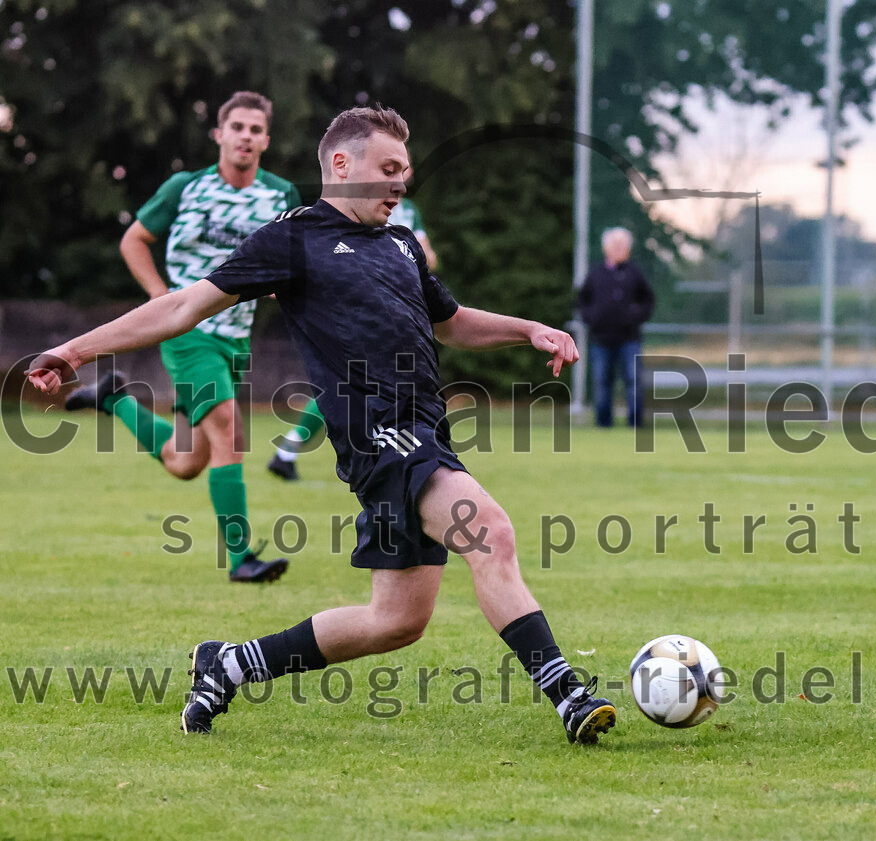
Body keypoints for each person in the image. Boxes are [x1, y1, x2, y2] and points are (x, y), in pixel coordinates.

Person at [27, 105, 616, 746]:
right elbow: (181, 307)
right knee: (491, 534)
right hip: (380, 435)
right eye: (388, 168)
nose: (400, 184)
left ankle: (230, 665)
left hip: (424, 430)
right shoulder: (293, 239)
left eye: (405, 171)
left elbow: (451, 323)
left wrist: (529, 329)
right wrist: (74, 350)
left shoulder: (400, 244)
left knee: (396, 620)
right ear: (342, 163)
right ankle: (569, 696)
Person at [62, 91, 301, 583]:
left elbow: (296, 261)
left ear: (266, 141)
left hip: (236, 338)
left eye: (256, 130)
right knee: (229, 430)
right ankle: (241, 560)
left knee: (185, 461)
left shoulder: (282, 196)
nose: (246, 137)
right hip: (189, 334)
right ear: (219, 134)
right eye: (238, 127)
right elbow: (134, 239)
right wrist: (160, 298)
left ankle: (114, 400)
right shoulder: (185, 187)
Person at [265, 193, 437, 482]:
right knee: (354, 387)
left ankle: (289, 452)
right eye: (390, 170)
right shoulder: (351, 209)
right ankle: (402, 458)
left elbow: (429, 258)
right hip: (362, 316)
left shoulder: (408, 212)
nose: (399, 178)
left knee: (351, 387)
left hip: (395, 314)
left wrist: (409, 260)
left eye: (403, 171)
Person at [577, 227, 655, 427]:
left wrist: (635, 316)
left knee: (633, 380)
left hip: (630, 339)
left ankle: (635, 423)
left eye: (623, 245)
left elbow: (648, 300)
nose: (619, 248)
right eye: (616, 244)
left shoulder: (635, 273)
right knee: (602, 382)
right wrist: (592, 318)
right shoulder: (595, 274)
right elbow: (582, 301)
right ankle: (603, 424)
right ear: (606, 248)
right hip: (601, 339)